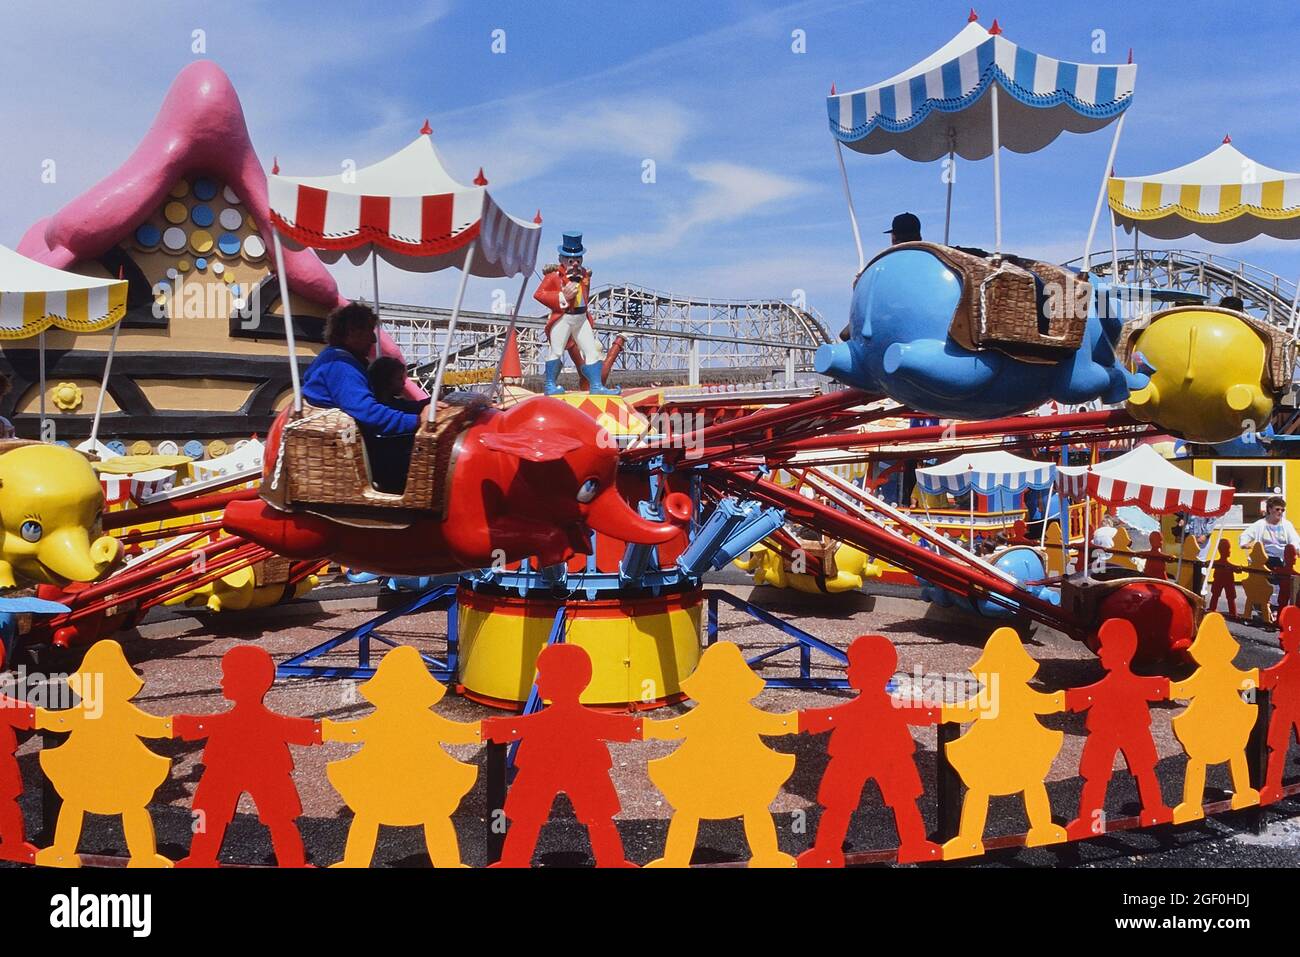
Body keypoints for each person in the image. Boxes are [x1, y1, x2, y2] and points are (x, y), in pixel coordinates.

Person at [301, 303, 429, 492]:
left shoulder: (338, 359)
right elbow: (369, 413)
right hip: (351, 447)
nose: (373, 339)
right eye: (369, 331)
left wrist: (426, 406)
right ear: (352, 331)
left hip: (359, 440)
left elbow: (385, 405)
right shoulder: (341, 366)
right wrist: (418, 421)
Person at [533, 232, 618, 396]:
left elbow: (585, 297)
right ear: (562, 260)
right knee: (557, 351)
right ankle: (550, 385)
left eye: (578, 260)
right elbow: (539, 294)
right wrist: (562, 297)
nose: (575, 263)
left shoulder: (584, 274)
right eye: (571, 260)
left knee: (591, 350)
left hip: (581, 318)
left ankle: (596, 385)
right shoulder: (553, 277)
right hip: (564, 318)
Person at [1239, 496, 1300, 569]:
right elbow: (1245, 535)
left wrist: (1296, 549)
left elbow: (1294, 539)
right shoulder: (1261, 524)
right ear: (1270, 509)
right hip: (1265, 557)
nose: (1280, 512)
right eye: (1277, 509)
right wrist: (1245, 544)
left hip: (1282, 558)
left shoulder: (1287, 524)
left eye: (1282, 510)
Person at [366, 356, 430, 416]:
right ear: (386, 380)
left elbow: (415, 406)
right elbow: (414, 407)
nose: (403, 382)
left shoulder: (392, 402)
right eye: (399, 378)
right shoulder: (387, 408)